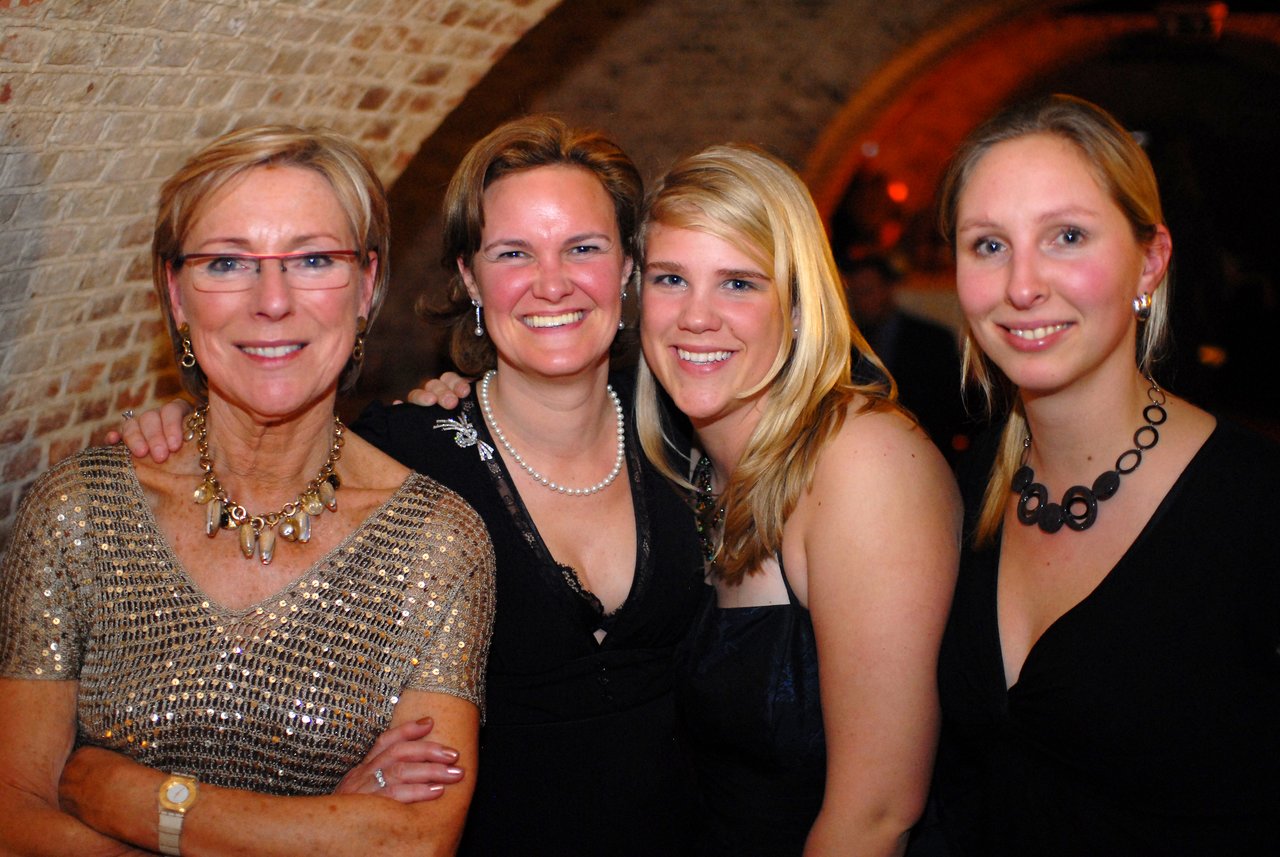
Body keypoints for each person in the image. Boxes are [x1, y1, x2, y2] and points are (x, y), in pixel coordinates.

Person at [112, 115, 705, 856]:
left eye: (583, 248)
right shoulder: (398, 456)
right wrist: (182, 430)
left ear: (625, 268)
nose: (552, 282)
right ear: (469, 277)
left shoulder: (687, 429)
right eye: (513, 252)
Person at [0, 126, 495, 856]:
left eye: (313, 259)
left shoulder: (436, 541)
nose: (272, 301)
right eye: (227, 261)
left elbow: (410, 842)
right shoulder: (79, 510)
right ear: (174, 294)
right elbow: (13, 812)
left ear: (365, 286)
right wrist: (319, 827)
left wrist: (127, 794)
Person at [930, 94, 1280, 855]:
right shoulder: (963, 485)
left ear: (1149, 261)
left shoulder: (1257, 509)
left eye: (1066, 236)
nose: (1022, 286)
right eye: (988, 245)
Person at [635, 144, 960, 856]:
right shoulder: (683, 464)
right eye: (670, 278)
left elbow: (878, 813)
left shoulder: (860, 462)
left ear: (799, 298)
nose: (696, 316)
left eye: (739, 284)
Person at [842, 254, 973, 462]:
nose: (861, 301)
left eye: (867, 291)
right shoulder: (846, 344)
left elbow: (951, 407)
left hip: (926, 452)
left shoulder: (931, 339)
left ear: (889, 288)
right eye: (854, 294)